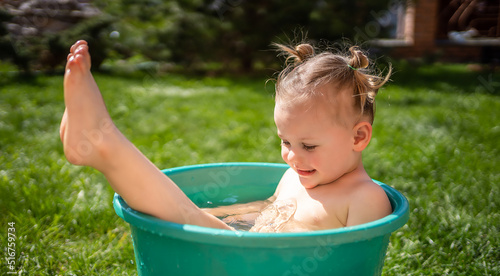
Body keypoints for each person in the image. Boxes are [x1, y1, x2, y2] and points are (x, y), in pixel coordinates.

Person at [60, 40, 392, 233]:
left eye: (308, 145)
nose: (293, 156)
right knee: (187, 211)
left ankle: (102, 143)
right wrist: (221, 215)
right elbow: (268, 210)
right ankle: (97, 141)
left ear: (358, 137)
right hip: (250, 257)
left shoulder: (365, 199)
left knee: (185, 216)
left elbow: (351, 270)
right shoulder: (297, 177)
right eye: (286, 142)